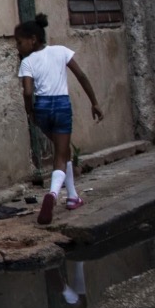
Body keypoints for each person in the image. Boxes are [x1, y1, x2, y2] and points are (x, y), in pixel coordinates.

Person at [14, 13, 102, 225]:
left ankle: (72, 197)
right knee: (60, 155)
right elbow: (81, 76)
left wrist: (30, 112)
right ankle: (52, 195)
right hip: (62, 106)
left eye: (19, 42)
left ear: (33, 39)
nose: (17, 46)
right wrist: (94, 102)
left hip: (42, 108)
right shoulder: (61, 51)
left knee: (63, 150)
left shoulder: (27, 62)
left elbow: (27, 92)